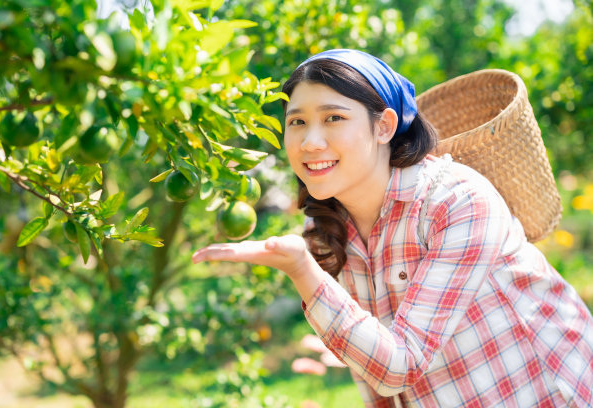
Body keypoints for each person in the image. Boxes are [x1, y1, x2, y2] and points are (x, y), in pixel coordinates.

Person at [192, 49, 593, 407]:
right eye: (296, 121)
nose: (310, 141)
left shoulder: (455, 201)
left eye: (334, 118)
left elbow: (399, 365)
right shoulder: (326, 227)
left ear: (383, 126)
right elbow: (374, 373)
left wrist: (302, 270)